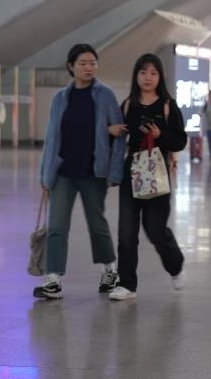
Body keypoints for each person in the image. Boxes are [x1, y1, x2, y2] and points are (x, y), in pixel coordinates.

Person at [35, 44, 127, 299]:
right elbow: (52, 137)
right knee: (56, 226)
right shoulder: (60, 98)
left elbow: (120, 135)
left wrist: (115, 172)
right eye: (83, 63)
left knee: (97, 224)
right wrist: (45, 174)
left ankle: (110, 270)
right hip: (63, 171)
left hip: (93, 173)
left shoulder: (105, 95)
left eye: (93, 63)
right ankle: (53, 278)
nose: (89, 68)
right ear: (71, 66)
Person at [109, 53, 188, 300]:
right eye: (143, 72)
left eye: (153, 73)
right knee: (126, 232)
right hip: (131, 171)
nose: (147, 77)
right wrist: (111, 130)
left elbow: (180, 140)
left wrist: (161, 134)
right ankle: (127, 285)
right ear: (136, 75)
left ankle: (175, 264)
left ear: (160, 77)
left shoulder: (167, 105)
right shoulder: (127, 104)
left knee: (155, 230)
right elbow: (117, 135)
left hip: (157, 170)